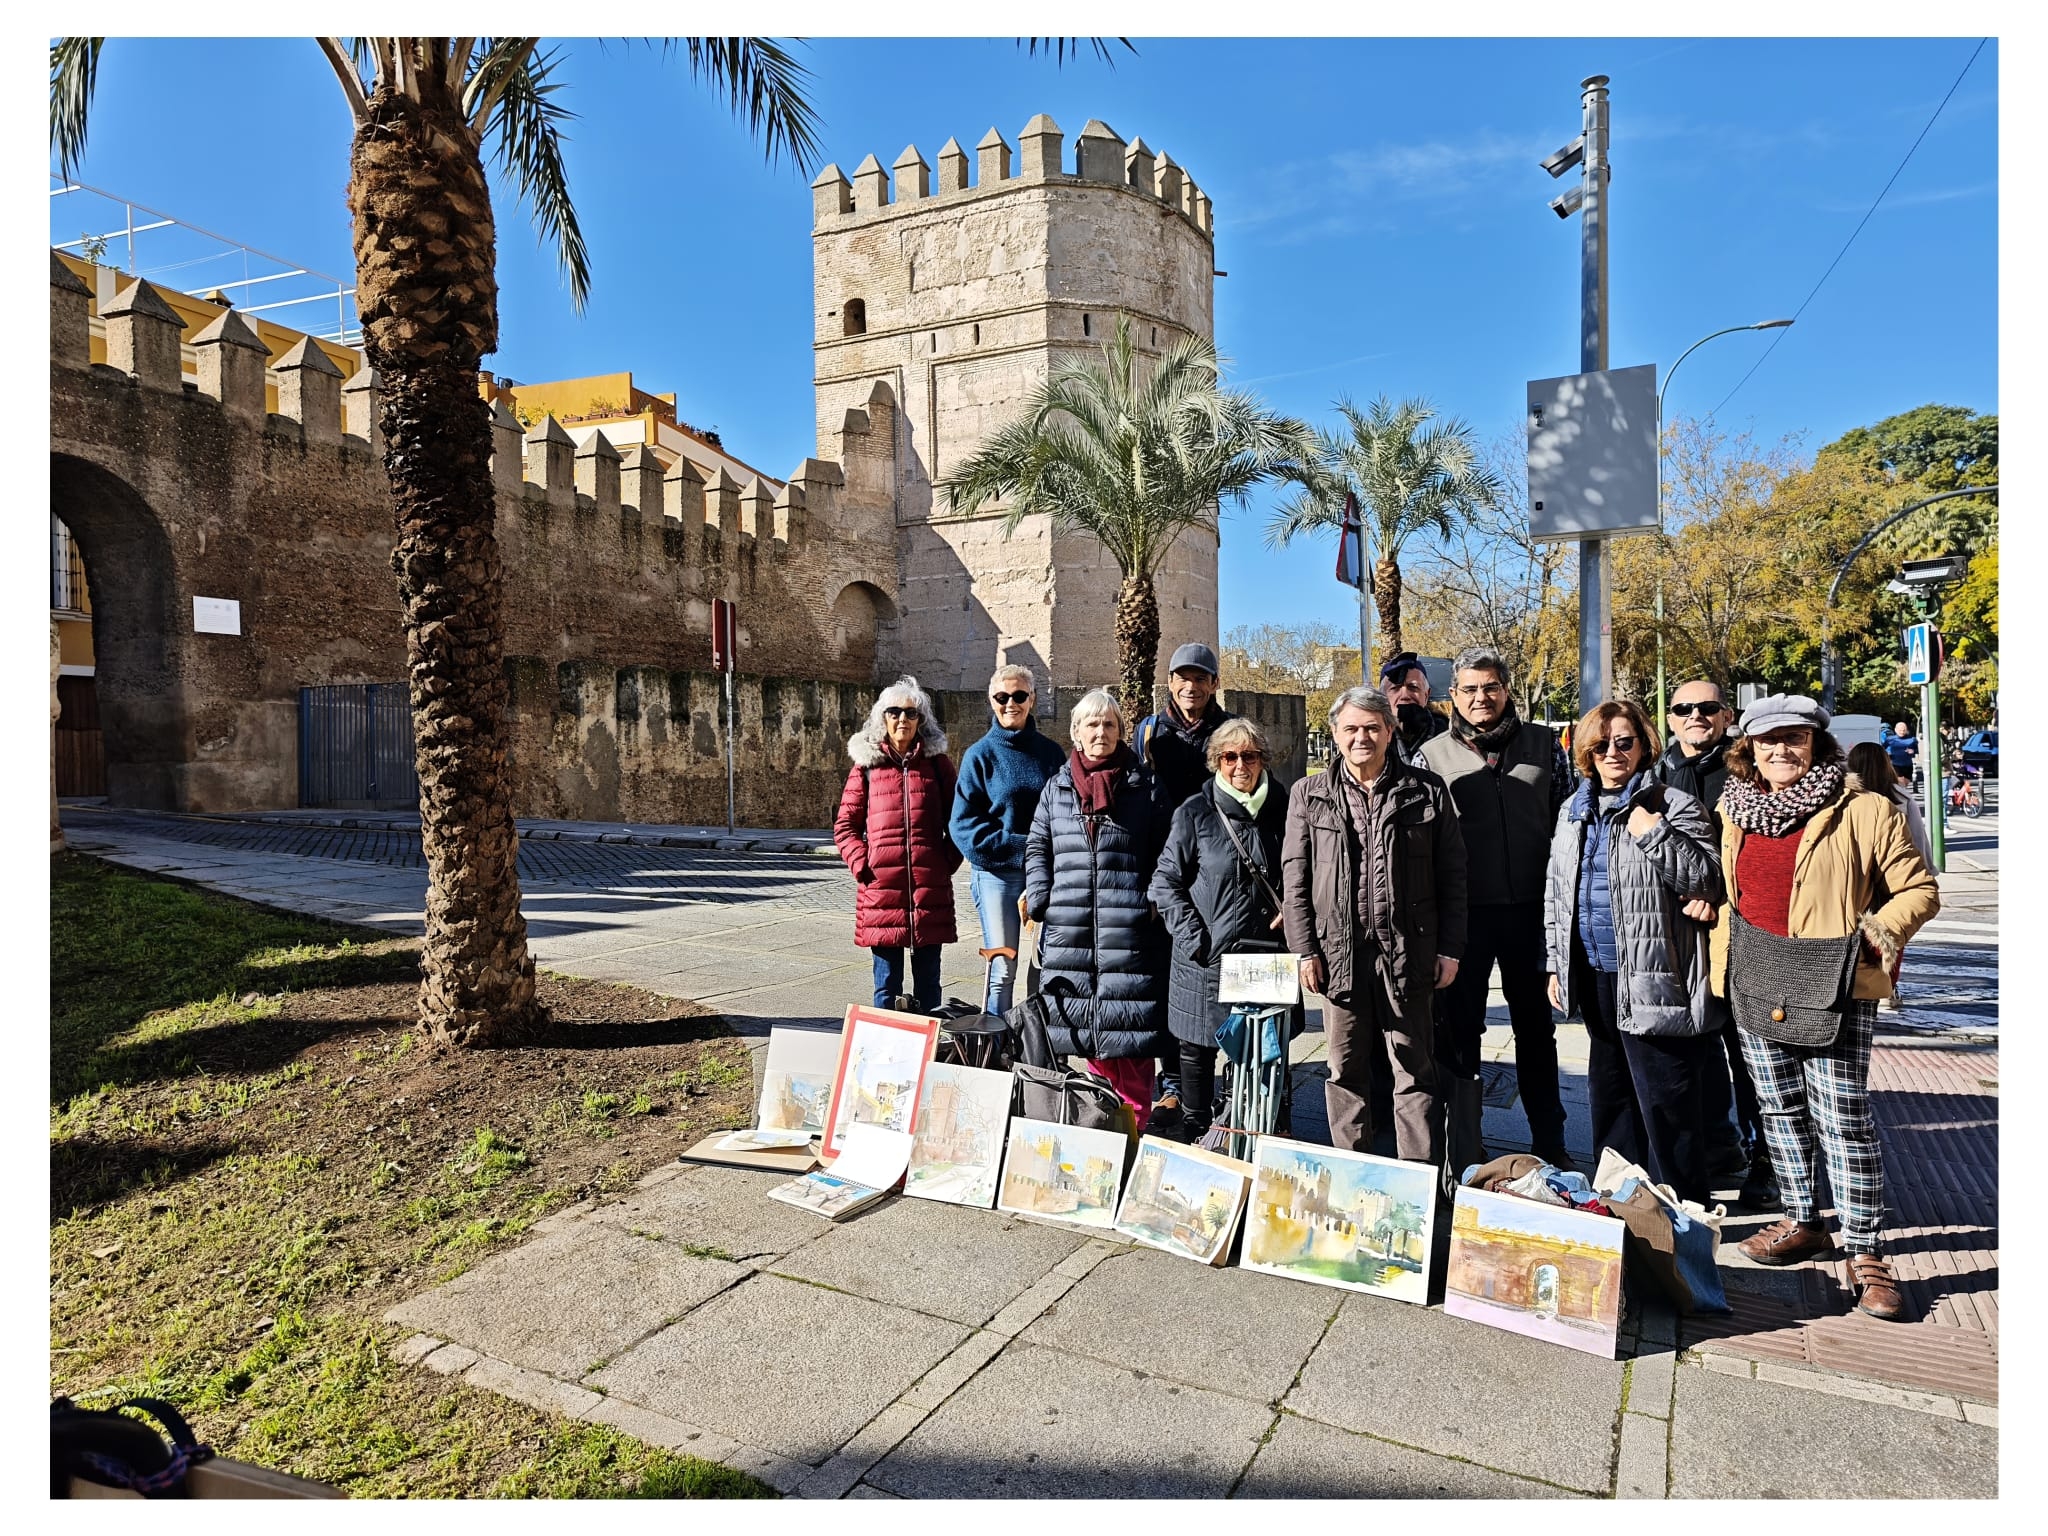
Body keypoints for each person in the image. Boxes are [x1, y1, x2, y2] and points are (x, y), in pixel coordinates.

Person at [1714, 696, 1939, 1322]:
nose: (1781, 751)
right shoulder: (1734, 810)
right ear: (1749, 750)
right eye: (1767, 741)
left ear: (1817, 745)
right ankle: (1803, 1220)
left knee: (1843, 1118)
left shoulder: (1864, 810)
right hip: (1756, 975)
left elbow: (1920, 889)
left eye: (1794, 739)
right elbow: (1737, 892)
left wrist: (1874, 936)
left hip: (1833, 981)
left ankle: (1866, 1253)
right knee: (1778, 1110)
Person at [1545, 700, 1725, 1203]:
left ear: (1644, 745)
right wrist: (1556, 964)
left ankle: (1688, 1214)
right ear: (1584, 752)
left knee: (1667, 1107)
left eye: (1624, 741)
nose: (1613, 753)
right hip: (1594, 972)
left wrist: (1654, 832)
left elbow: (1707, 880)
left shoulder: (1673, 806)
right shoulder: (1572, 810)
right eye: (1601, 744)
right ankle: (1621, 1206)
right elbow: (1558, 890)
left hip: (1654, 975)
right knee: (1611, 1101)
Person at [1282, 686, 1466, 1163]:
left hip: (1408, 952)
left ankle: (1418, 1180)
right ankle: (1352, 1172)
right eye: (1351, 729)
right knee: (1345, 1070)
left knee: (1414, 1069)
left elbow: (1453, 873)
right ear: (1335, 735)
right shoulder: (1310, 794)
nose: (1361, 737)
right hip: (1339, 956)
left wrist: (1450, 948)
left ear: (1389, 731)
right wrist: (1305, 950)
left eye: (1371, 728)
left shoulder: (1426, 790)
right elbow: (1295, 877)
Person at [1417, 646, 1575, 1167]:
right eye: (1469, 689)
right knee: (1460, 1030)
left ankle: (1550, 1143)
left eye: (1490, 687)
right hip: (1465, 916)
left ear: (1506, 690)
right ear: (1452, 697)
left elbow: (1568, 823)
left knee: (1536, 1029)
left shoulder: (1545, 746)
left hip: (1531, 910)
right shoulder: (1430, 755)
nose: (1481, 697)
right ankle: (1466, 1146)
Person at [1024, 689, 1173, 1128]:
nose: (1101, 732)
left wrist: (1151, 899)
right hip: (1069, 928)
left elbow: (1170, 850)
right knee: (1086, 1034)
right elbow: (1038, 844)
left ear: (1120, 731)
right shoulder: (1058, 788)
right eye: (1092, 724)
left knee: (1132, 1034)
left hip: (1128, 930)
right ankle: (1099, 1124)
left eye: (1109, 724)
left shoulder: (1144, 785)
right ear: (1076, 732)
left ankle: (1134, 1127)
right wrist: (1040, 895)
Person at [1149, 718, 1292, 1145]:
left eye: (1249, 755)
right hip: (1207, 956)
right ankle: (1197, 1127)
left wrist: (1295, 911)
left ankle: (1264, 1128)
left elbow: (1305, 869)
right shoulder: (1195, 811)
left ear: (1263, 759)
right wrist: (1196, 939)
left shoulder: (1286, 806)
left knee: (1266, 1050)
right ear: (1216, 762)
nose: (1240, 765)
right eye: (1229, 757)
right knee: (1197, 1047)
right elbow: (1165, 882)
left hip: (1268, 954)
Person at [1652, 678, 1767, 1202]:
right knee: (1692, 1057)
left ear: (1725, 714)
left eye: (1707, 707)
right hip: (1676, 936)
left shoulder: (1750, 771)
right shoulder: (1655, 774)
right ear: (1671, 718)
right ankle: (1717, 1152)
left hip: (1740, 934)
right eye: (1683, 709)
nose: (1695, 716)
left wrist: (1717, 894)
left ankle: (1769, 1165)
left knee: (1751, 1058)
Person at [1134, 641, 1235, 1128]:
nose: (1191, 686)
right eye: (1182, 677)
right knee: (1168, 985)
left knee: (1212, 983)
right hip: (1168, 875)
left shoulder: (1229, 732)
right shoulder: (1150, 733)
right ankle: (1173, 1084)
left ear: (1214, 684)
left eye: (1201, 678)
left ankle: (1221, 1086)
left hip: (1217, 877)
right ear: (1169, 682)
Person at [834, 677, 962, 1011]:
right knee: (886, 986)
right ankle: (884, 1057)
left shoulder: (937, 765)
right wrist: (864, 866)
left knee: (929, 988)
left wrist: (945, 862)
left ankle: (930, 1058)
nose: (902, 719)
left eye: (911, 713)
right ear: (883, 718)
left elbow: (960, 820)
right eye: (894, 712)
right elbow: (845, 826)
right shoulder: (867, 767)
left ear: (922, 721)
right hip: (882, 893)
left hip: (929, 892)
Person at [949, 664, 1066, 1016]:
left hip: (1044, 875)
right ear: (992, 700)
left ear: (1031, 699)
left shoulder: (1050, 754)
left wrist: (1043, 858)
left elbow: (1063, 814)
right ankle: (996, 1050)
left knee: (1047, 969)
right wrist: (1022, 848)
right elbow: (963, 825)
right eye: (1002, 697)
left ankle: (1038, 1050)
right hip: (997, 876)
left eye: (1018, 696)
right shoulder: (979, 756)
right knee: (1001, 969)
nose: (1010, 703)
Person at [1846, 742, 1934, 1015]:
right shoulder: (1901, 797)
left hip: (1858, 875)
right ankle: (1887, 987)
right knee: (1892, 932)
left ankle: (1859, 984)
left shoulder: (1846, 797)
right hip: (1892, 878)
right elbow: (1918, 841)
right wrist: (1926, 870)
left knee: (1856, 931)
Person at [1381, 651, 1446, 767]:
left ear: (1426, 695)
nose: (1405, 695)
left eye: (1413, 687)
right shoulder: (1373, 740)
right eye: (1395, 688)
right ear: (1383, 696)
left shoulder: (1449, 739)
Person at [1885, 719, 1919, 790]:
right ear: (1895, 730)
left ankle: (1901, 797)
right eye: (1900, 730)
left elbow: (1917, 750)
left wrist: (1913, 751)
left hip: (1908, 765)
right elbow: (1882, 749)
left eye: (1904, 730)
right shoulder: (1889, 740)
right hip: (1895, 765)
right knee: (1900, 785)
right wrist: (1887, 754)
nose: (1902, 732)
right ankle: (1900, 798)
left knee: (1904, 785)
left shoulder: (1912, 739)